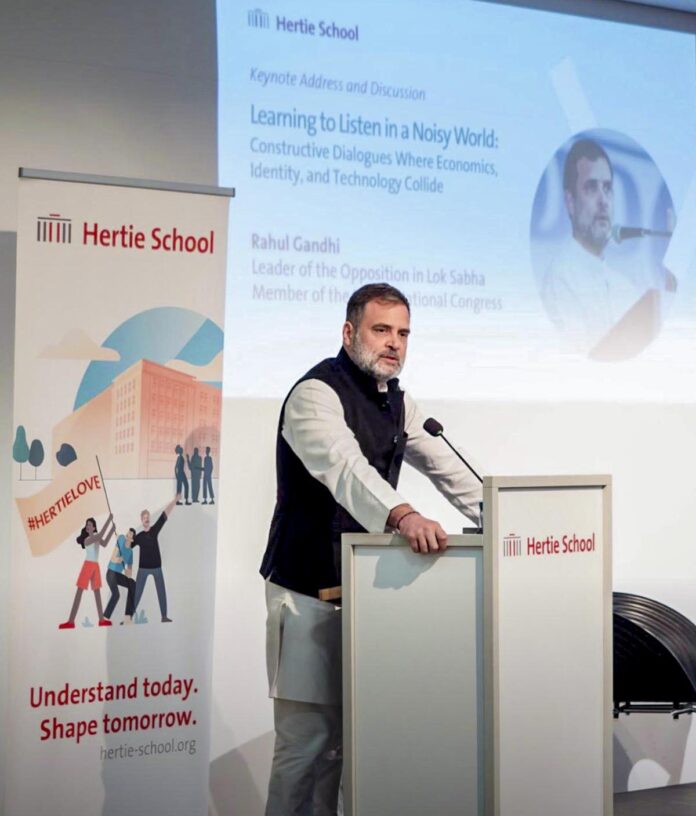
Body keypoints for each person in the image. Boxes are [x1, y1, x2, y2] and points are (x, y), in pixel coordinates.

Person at [259, 283, 483, 816]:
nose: (394, 343)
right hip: (306, 593)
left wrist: (509, 520)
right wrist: (404, 515)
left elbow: (451, 471)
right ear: (349, 332)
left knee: (346, 746)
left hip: (367, 600)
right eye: (381, 329)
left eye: (403, 333)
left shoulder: (398, 402)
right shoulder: (315, 394)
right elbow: (346, 469)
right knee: (305, 746)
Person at [543, 138, 654, 351]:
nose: (603, 200)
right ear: (570, 202)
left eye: (607, 188)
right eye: (591, 188)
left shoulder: (625, 287)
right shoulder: (561, 279)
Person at [59, 514, 115, 629]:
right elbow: (101, 535)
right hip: (88, 566)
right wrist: (109, 520)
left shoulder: (96, 538)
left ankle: (101, 620)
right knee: (79, 592)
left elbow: (104, 543)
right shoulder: (87, 539)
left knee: (97, 592)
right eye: (87, 525)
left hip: (95, 566)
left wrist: (112, 530)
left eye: (90, 525)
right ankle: (71, 621)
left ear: (94, 527)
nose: (87, 526)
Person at [132, 494, 179, 623]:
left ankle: (164, 616)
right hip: (143, 569)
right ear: (141, 520)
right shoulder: (139, 536)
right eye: (144, 518)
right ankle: (129, 616)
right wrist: (123, 541)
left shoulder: (154, 530)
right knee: (137, 593)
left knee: (161, 591)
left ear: (149, 519)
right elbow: (128, 546)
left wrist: (175, 500)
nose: (146, 519)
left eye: (148, 517)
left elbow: (165, 515)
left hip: (157, 567)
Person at [103, 528, 137, 624]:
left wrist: (128, 572)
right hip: (111, 573)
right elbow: (113, 559)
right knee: (116, 595)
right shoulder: (121, 539)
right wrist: (120, 559)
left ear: (132, 539)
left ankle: (127, 617)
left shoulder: (130, 552)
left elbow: (129, 570)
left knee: (132, 584)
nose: (128, 533)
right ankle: (104, 618)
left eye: (130, 534)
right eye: (128, 532)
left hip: (117, 575)